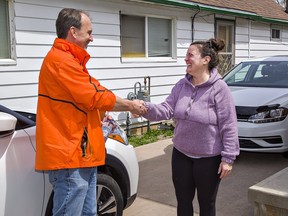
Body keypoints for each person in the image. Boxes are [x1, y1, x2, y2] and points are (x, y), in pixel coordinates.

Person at [35, 8, 146, 216]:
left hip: (82, 154)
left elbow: (94, 93)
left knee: (88, 213)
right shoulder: (61, 61)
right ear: (73, 32)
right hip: (71, 156)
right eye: (89, 32)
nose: (92, 38)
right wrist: (130, 105)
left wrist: (109, 110)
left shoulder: (72, 62)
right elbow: (95, 95)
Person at [143, 38, 239, 216]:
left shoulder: (220, 89)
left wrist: (228, 158)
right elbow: (166, 109)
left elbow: (229, 125)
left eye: (190, 55)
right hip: (181, 155)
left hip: (209, 159)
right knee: (183, 203)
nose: (185, 59)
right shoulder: (182, 85)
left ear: (206, 60)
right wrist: (143, 108)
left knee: (206, 205)